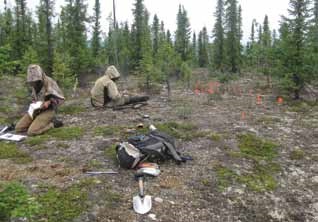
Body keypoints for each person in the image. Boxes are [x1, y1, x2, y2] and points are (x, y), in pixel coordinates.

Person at [15, 64, 65, 136]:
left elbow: (60, 98)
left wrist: (49, 102)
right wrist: (34, 104)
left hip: (49, 110)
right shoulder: (33, 84)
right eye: (32, 80)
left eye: (36, 80)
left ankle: (52, 124)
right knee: (18, 129)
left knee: (31, 132)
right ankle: (36, 123)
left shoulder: (49, 82)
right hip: (36, 110)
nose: (34, 82)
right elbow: (34, 98)